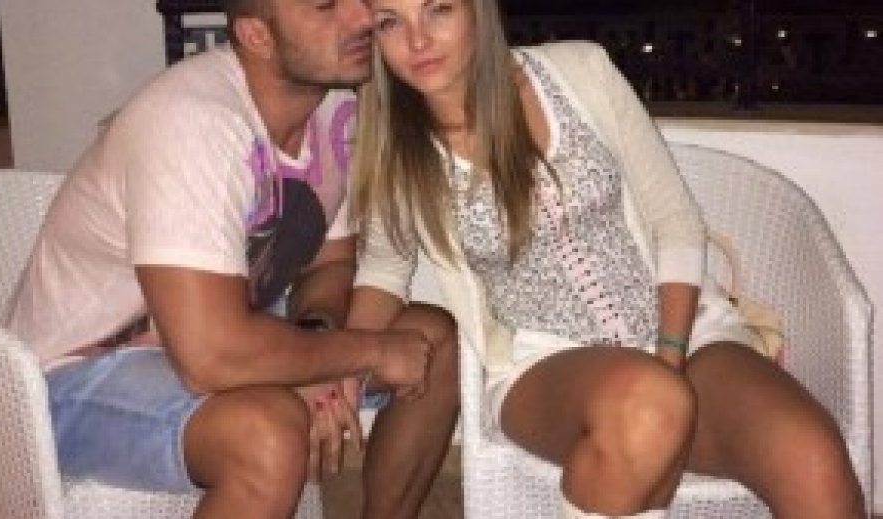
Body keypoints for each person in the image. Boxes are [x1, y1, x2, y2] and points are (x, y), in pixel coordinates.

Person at [346, 0, 866, 517]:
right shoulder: (398, 152)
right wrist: (342, 375)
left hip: (686, 337)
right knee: (648, 403)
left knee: (811, 457)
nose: (417, 40)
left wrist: (669, 359)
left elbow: (675, 220)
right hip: (543, 363)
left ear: (477, 12)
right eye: (391, 22)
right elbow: (384, 272)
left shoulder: (580, 72)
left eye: (438, 10)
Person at [7, 0, 459, 517]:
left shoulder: (335, 112)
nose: (362, 16)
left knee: (431, 339)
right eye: (324, 6)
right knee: (267, 435)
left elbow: (329, 264)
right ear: (256, 36)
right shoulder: (193, 123)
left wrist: (319, 340)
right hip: (70, 380)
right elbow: (211, 358)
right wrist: (366, 352)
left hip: (205, 343)